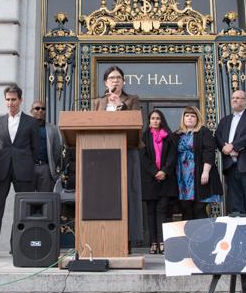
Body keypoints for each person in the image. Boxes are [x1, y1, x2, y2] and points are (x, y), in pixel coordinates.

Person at [91, 65, 144, 247]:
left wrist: (119, 105)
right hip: (103, 154)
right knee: (104, 194)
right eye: (112, 78)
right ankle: (103, 238)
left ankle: (128, 239)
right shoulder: (98, 102)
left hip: (127, 151)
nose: (115, 81)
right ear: (106, 82)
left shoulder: (132, 100)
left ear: (123, 81)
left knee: (127, 193)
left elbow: (136, 122)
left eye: (118, 78)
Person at [0, 84, 40, 258]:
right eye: (8, 100)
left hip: (23, 171)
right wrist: (2, 160)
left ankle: (16, 245)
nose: (10, 103)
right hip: (1, 169)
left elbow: (36, 148)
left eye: (14, 100)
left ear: (21, 100)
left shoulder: (31, 122)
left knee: (22, 210)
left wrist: (25, 162)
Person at [140, 109, 178, 254]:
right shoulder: (143, 137)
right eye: (153, 118)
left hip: (165, 180)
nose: (155, 121)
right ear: (149, 121)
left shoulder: (169, 137)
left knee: (161, 211)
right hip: (150, 179)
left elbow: (172, 156)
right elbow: (143, 158)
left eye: (158, 118)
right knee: (150, 212)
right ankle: (153, 242)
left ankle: (162, 242)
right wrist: (155, 172)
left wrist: (164, 171)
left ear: (161, 120)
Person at [175, 106, 223, 220]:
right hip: (182, 176)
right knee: (186, 207)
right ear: (183, 118)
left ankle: (204, 236)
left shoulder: (203, 131)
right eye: (187, 116)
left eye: (193, 116)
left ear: (197, 118)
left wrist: (205, 172)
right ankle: (188, 237)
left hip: (199, 174)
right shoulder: (177, 134)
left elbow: (209, 152)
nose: (190, 118)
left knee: (199, 207)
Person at [30, 100, 63, 193]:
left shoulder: (53, 128)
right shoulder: (25, 127)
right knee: (28, 198)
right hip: (29, 168)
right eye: (37, 108)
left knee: (45, 197)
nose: (40, 110)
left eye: (43, 109)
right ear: (31, 111)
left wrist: (50, 165)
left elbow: (57, 150)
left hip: (45, 167)